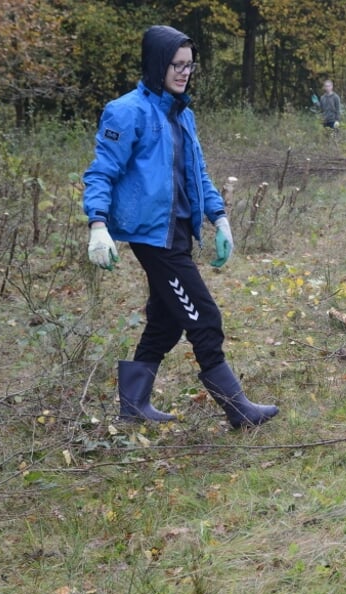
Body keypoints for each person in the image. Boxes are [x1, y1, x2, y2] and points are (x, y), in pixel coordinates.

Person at [83, 25, 278, 429]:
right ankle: (238, 407)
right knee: (204, 317)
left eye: (189, 66)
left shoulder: (181, 112)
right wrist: (97, 225)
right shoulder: (127, 111)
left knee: (166, 318)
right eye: (176, 64)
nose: (184, 72)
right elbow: (102, 171)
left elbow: (198, 173)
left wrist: (219, 218)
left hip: (178, 232)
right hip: (153, 237)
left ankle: (133, 404)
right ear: (157, 63)